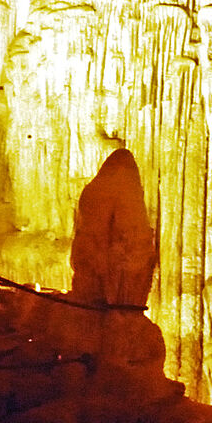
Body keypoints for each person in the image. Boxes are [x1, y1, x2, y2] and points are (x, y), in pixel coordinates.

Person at [70, 149, 157, 366]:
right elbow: (132, 243)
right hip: (118, 292)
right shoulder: (125, 191)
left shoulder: (95, 190)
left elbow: (85, 237)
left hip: (93, 285)